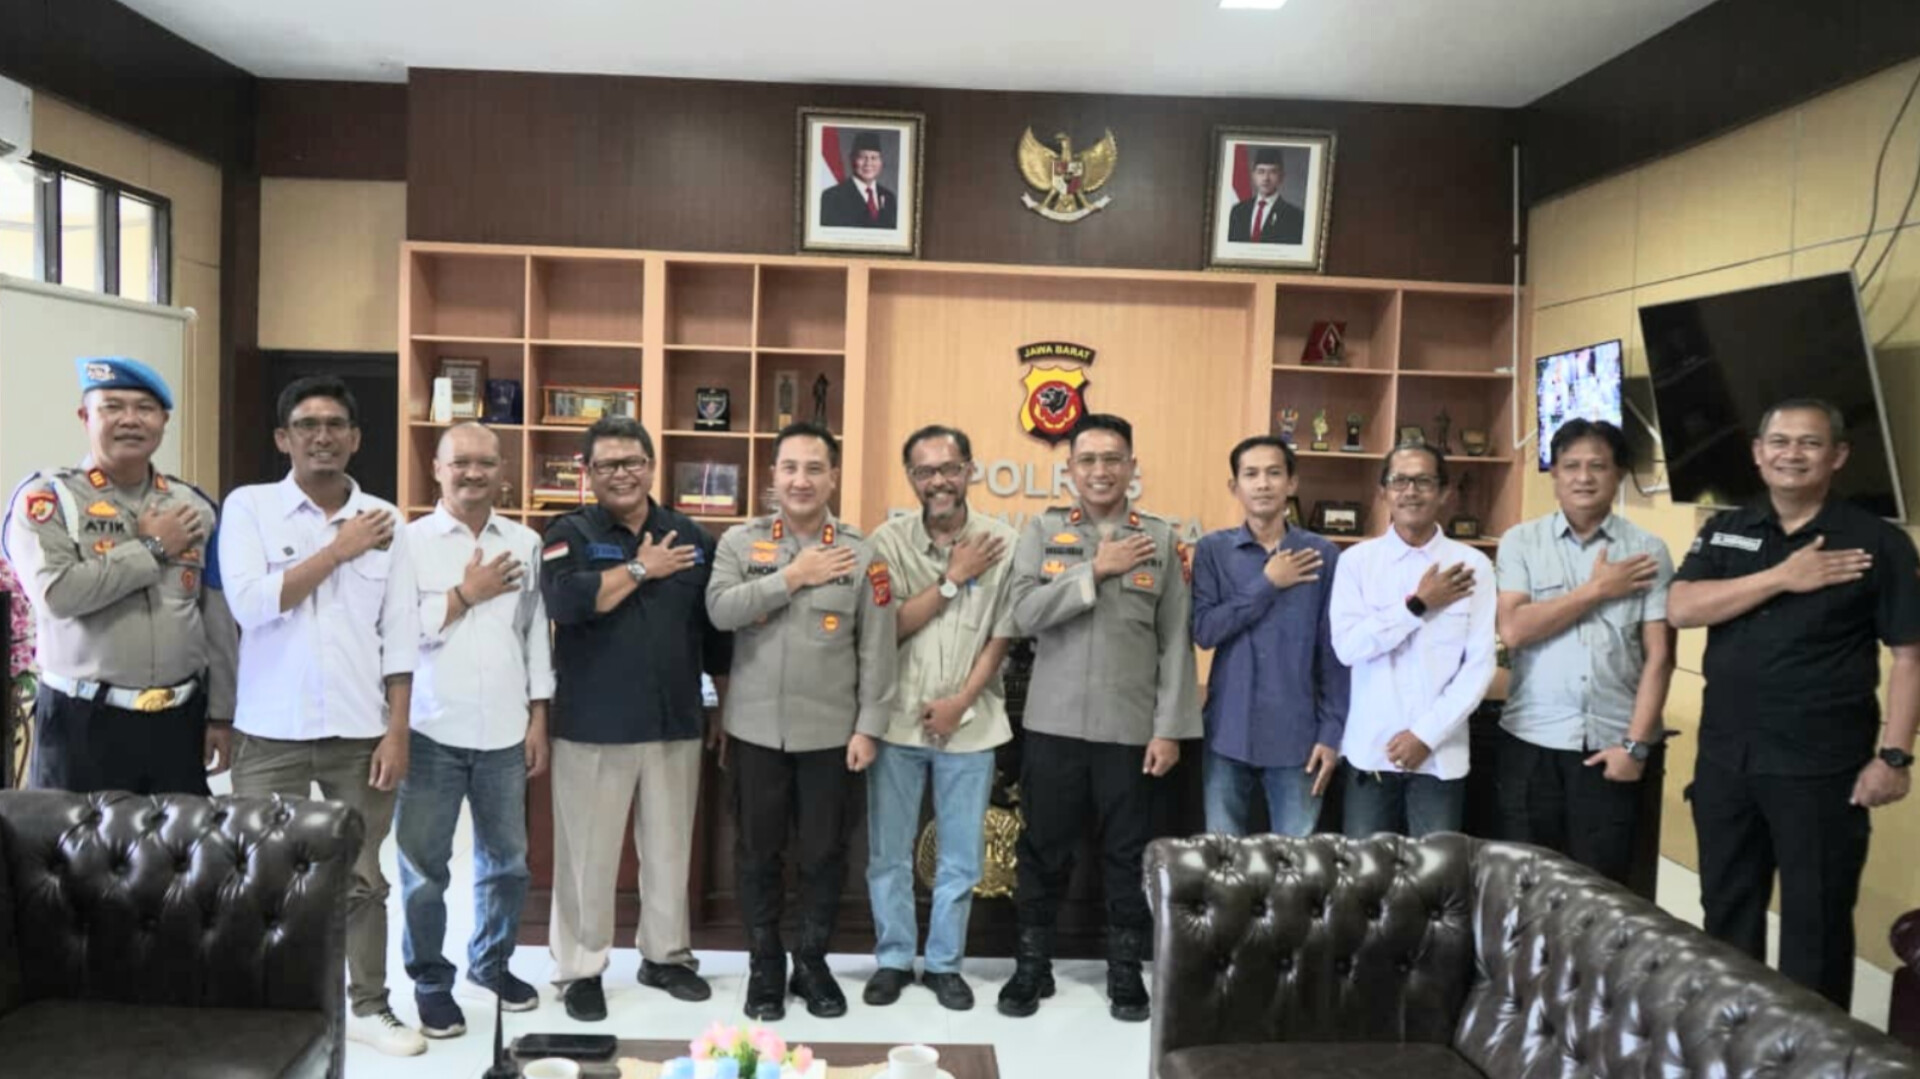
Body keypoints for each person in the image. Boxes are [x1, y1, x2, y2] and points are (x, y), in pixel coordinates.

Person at [1668, 398, 1918, 1009]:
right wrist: (1782, 576)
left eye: (1809, 443)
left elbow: (1911, 657)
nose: (1792, 454)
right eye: (1779, 442)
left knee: (1817, 925)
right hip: (1726, 761)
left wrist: (1894, 756)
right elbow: (1681, 607)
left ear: (1838, 455)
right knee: (1726, 914)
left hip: (1821, 770)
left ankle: (1810, 1052)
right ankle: (1728, 1037)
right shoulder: (1728, 527)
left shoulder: (1877, 543)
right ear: (1758, 454)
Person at [218, 375, 425, 1057]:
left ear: (356, 438)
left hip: (361, 732)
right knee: (263, 871)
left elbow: (400, 634)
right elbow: (252, 605)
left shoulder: (385, 520)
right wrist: (338, 549)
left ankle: (368, 1004)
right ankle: (271, 1006)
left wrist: (398, 729)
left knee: (363, 876)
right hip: (269, 732)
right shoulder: (250, 508)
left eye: (336, 424)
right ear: (284, 438)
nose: (323, 436)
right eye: (307, 425)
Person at [1000, 413, 1199, 1023]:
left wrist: (1169, 728)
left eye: (1113, 459)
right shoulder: (1043, 531)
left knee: (1127, 854)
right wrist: (1095, 570)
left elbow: (1175, 641)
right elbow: (1022, 613)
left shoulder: (1160, 539)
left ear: (1132, 467)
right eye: (1087, 460)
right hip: (1054, 725)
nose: (1100, 470)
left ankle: (1125, 972)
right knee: (1041, 850)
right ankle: (1031, 967)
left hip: (1129, 730)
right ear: (1070, 470)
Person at [540, 416, 730, 1022]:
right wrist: (641, 569)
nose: (620, 474)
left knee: (671, 853)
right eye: (606, 465)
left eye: (631, 462)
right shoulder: (568, 532)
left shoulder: (691, 536)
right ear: (588, 472)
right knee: (586, 859)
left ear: (650, 465)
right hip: (593, 726)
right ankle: (580, 968)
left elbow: (714, 634)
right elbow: (566, 603)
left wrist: (722, 707)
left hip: (674, 720)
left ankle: (666, 957)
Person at [706, 421, 897, 1022]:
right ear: (773, 476)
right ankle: (765, 964)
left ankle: (811, 961)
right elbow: (719, 611)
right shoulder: (740, 543)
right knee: (756, 853)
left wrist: (869, 726)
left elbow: (878, 649)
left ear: (833, 476)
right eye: (790, 468)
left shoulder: (864, 553)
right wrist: (792, 577)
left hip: (832, 736)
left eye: (814, 468)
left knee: (823, 855)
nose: (801, 480)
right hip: (756, 731)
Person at [2, 357, 236, 794]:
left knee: (180, 838)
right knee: (71, 840)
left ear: (164, 421)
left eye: (145, 408)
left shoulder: (194, 506)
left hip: (178, 722)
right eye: (112, 407)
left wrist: (222, 714)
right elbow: (57, 595)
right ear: (84, 416)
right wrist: (152, 549)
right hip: (81, 721)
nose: (130, 419)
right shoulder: (48, 499)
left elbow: (215, 617)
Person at [395, 422, 553, 1039]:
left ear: (502, 472)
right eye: (459, 462)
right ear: (437, 469)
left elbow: (534, 635)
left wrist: (538, 717)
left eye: (485, 462)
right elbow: (398, 632)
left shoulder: (526, 542)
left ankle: (491, 962)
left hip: (505, 731)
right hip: (431, 728)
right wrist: (465, 593)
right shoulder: (408, 543)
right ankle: (431, 982)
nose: (472, 473)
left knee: (507, 863)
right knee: (425, 868)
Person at [862, 425, 1017, 1012]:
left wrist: (960, 704)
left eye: (949, 468)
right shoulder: (887, 542)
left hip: (972, 724)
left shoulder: (1003, 542)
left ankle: (946, 964)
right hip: (897, 723)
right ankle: (894, 959)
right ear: (911, 478)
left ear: (969, 470)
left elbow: (1002, 636)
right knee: (889, 852)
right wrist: (952, 579)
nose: (939, 481)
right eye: (925, 471)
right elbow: (888, 627)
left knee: (961, 858)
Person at [1494, 419, 1674, 884]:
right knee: (1524, 886)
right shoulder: (1521, 542)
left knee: (1600, 892)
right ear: (1554, 474)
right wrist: (1596, 590)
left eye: (1598, 466)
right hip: (1531, 742)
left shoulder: (1647, 550)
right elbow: (1514, 630)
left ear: (1619, 474)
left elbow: (1659, 657)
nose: (1583, 477)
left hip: (1610, 747)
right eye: (1571, 466)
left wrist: (1635, 747)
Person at [1329, 442, 1495, 838]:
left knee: (1435, 870)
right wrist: (1417, 605)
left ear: (1444, 492)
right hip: (1371, 752)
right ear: (1382, 492)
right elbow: (1348, 648)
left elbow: (1479, 666)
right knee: (1366, 870)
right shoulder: (1356, 562)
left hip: (1439, 757)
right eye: (1399, 481)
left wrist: (1425, 735)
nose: (1411, 491)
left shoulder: (1472, 566)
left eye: (1423, 481)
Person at [1191, 435, 1347, 836]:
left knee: (1295, 861)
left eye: (1274, 473)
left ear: (1291, 483)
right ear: (1235, 486)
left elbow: (1335, 653)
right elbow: (1205, 631)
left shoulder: (1322, 555)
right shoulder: (1212, 551)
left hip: (1298, 737)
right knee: (1223, 857)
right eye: (1251, 474)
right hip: (1227, 731)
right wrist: (1267, 583)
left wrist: (1332, 733)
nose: (1263, 484)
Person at [819, 131, 898, 229]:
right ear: (852, 159)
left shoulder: (889, 197)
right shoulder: (832, 197)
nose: (868, 163)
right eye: (862, 157)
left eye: (874, 158)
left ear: (881, 162)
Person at [1226, 147, 1304, 244]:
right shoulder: (1237, 211)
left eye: (1273, 172)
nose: (1266, 178)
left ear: (1281, 177)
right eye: (1261, 171)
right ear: (1253, 175)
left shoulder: (1294, 216)